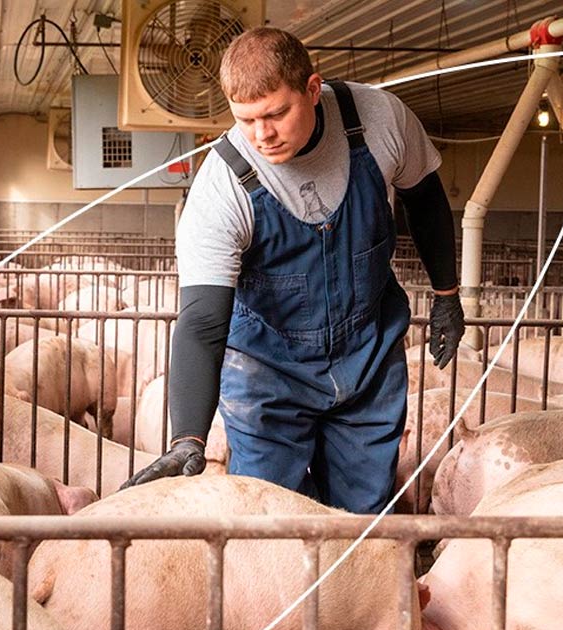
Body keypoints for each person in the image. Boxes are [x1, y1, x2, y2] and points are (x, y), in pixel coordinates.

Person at [120, 27, 465, 514]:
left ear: (312, 89)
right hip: (266, 371)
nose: (263, 134)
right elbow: (201, 320)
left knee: (361, 522)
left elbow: (426, 198)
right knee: (268, 522)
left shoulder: (381, 119)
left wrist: (446, 294)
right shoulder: (222, 187)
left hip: (367, 356)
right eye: (246, 120)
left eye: (276, 113)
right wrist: (188, 438)